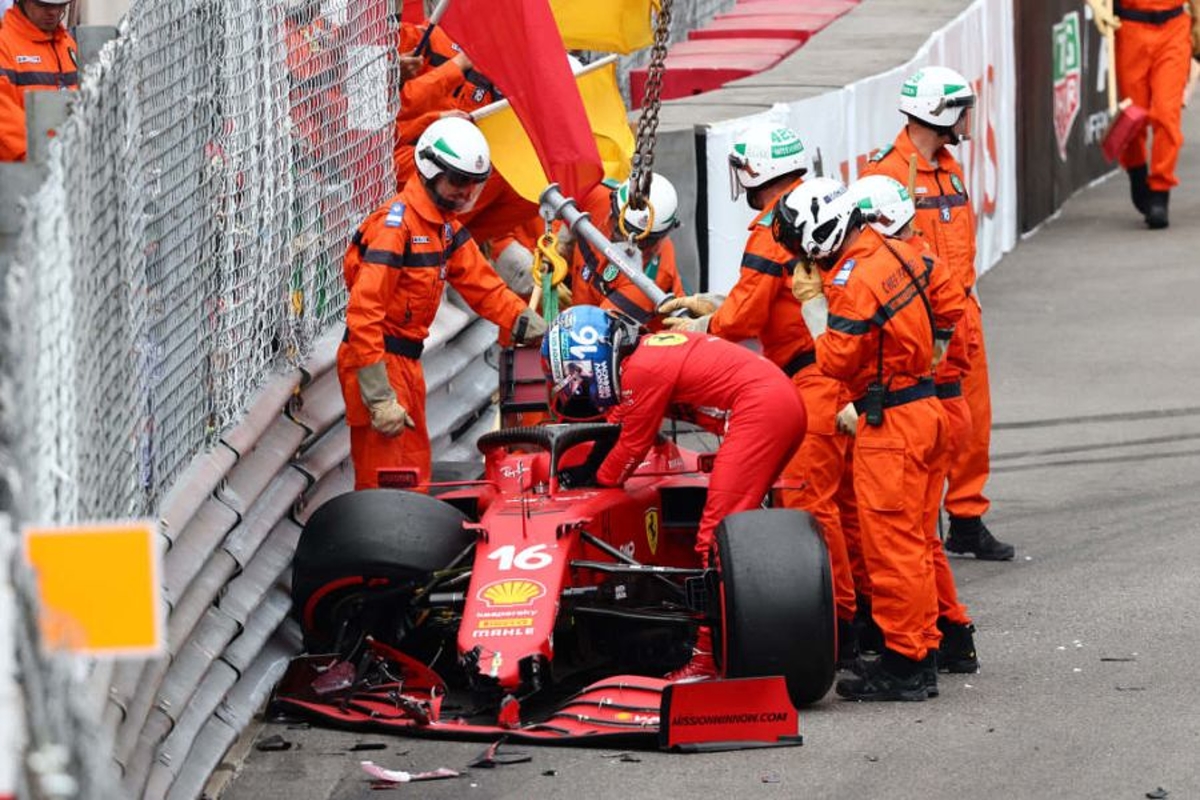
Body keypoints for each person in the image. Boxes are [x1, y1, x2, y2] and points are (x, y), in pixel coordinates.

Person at [658, 122, 862, 665]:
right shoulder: (807, 211)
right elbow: (764, 299)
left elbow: (745, 314)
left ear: (760, 171)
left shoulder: (775, 227)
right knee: (847, 506)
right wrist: (716, 305)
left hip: (813, 378)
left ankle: (840, 628)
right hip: (837, 374)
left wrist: (701, 326)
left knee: (809, 504)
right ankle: (869, 619)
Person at [541, 305, 807, 680]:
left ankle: (705, 659)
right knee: (740, 539)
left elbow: (630, 448)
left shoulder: (639, 370)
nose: (573, 387)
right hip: (776, 404)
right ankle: (745, 641)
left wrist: (592, 485)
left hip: (761, 411)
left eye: (571, 376)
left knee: (715, 539)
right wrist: (582, 472)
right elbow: (619, 426)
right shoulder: (646, 353)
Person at [775, 177, 962, 701]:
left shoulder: (855, 279)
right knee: (918, 543)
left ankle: (905, 664)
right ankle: (920, 650)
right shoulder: (896, 248)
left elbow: (834, 360)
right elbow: (950, 303)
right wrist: (928, 355)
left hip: (893, 425)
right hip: (925, 408)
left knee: (892, 548)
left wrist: (813, 305)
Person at [338, 116, 545, 490]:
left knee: (414, 473)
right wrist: (379, 396)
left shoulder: (443, 227)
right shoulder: (395, 228)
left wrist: (530, 325)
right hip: (379, 362)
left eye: (472, 186)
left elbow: (484, 286)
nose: (464, 195)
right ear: (431, 171)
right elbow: (362, 315)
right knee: (386, 480)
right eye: (457, 183)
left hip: (405, 363)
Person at [862, 66, 1014, 561]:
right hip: (922, 325)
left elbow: (960, 243)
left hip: (963, 311)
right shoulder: (885, 176)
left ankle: (967, 521)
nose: (967, 120)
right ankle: (922, 531)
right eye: (961, 110)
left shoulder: (948, 167)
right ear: (937, 113)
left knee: (973, 424)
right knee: (931, 429)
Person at [847, 174, 979, 677]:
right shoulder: (929, 265)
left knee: (906, 540)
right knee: (921, 539)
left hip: (922, 409)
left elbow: (943, 350)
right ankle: (948, 636)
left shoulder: (898, 271)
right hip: (940, 408)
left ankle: (925, 642)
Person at [1107, 0, 1200, 227]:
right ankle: (1137, 174)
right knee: (1132, 116)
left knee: (1166, 114)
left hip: (1174, 29)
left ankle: (1160, 191)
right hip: (1130, 28)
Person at [558, 173, 686, 327]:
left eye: (642, 241)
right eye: (621, 230)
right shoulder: (597, 197)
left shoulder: (650, 282)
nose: (627, 244)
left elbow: (595, 331)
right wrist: (560, 246)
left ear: (659, 238)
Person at [0, 0, 78, 162]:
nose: (54, 12)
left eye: (60, 5)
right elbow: (4, 120)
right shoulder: (4, 46)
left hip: (70, 168)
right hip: (21, 175)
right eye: (44, 5)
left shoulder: (68, 45)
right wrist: (49, 156)